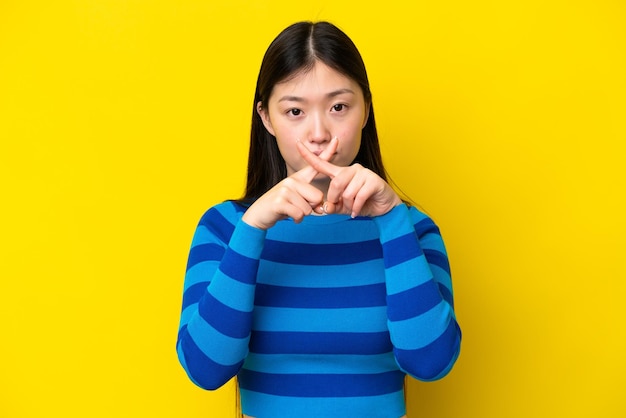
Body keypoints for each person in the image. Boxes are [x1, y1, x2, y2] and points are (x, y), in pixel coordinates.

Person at [176, 21, 461, 418]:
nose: (319, 133)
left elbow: (431, 363)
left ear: (366, 110)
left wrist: (392, 220)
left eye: (338, 107)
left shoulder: (411, 228)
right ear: (267, 118)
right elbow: (205, 368)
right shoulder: (225, 228)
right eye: (294, 111)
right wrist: (252, 229)